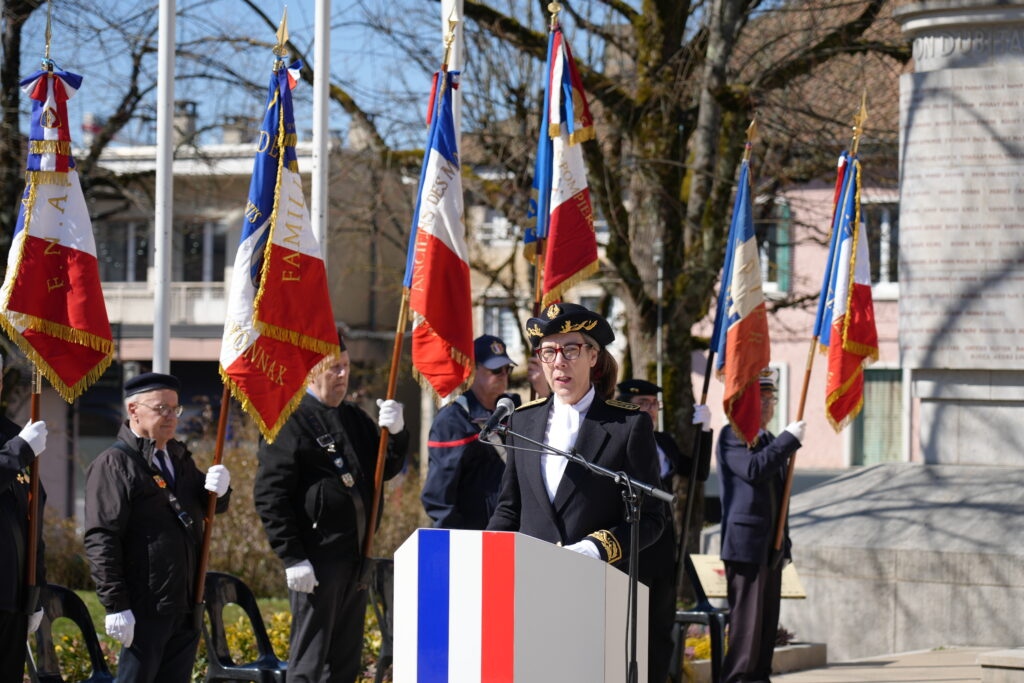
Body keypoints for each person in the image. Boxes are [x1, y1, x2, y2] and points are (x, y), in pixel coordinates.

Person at [254, 335, 408, 683]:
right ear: (310, 372)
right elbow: (270, 494)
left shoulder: (354, 417)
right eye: (333, 367)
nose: (342, 375)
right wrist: (292, 556)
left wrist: (396, 434)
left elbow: (387, 469)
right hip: (317, 556)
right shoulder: (289, 420)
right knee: (311, 660)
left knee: (344, 661)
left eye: (346, 366)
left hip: (356, 553)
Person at [487, 302, 664, 568]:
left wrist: (597, 548)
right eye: (549, 352)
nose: (558, 362)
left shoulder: (627, 425)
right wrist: (485, 551)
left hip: (594, 580)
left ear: (592, 356)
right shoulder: (521, 422)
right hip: (528, 576)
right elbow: (510, 508)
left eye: (570, 350)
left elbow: (652, 518)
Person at [84, 372, 232, 682]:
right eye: (160, 408)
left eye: (175, 409)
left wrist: (221, 490)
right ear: (134, 410)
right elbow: (102, 537)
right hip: (144, 605)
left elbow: (206, 508)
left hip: (184, 601)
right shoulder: (114, 464)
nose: (170, 416)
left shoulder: (178, 458)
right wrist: (115, 604)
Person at [616, 378, 712, 683]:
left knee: (660, 628)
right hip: (632, 544)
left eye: (654, 404)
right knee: (630, 627)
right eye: (643, 403)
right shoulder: (619, 436)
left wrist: (705, 432)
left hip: (663, 545)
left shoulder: (664, 441)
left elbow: (696, 470)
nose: (650, 410)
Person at [717, 370, 804, 683]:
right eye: (763, 399)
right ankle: (738, 678)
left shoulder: (767, 439)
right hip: (745, 544)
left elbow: (777, 498)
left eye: (772, 399)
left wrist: (785, 543)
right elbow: (753, 469)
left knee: (766, 625)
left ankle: (758, 677)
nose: (769, 405)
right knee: (747, 626)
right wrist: (789, 440)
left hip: (771, 545)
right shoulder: (732, 436)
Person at [421, 334, 518, 530]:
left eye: (507, 369)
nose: (503, 375)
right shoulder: (452, 420)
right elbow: (439, 497)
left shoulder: (515, 409)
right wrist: (456, 542)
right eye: (496, 369)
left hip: (513, 531)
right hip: (473, 537)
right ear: (473, 370)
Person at [0, 355, 48, 680]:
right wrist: (18, 452)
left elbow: (34, 516)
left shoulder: (12, 435)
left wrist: (36, 589)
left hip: (10, 596)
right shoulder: (17, 445)